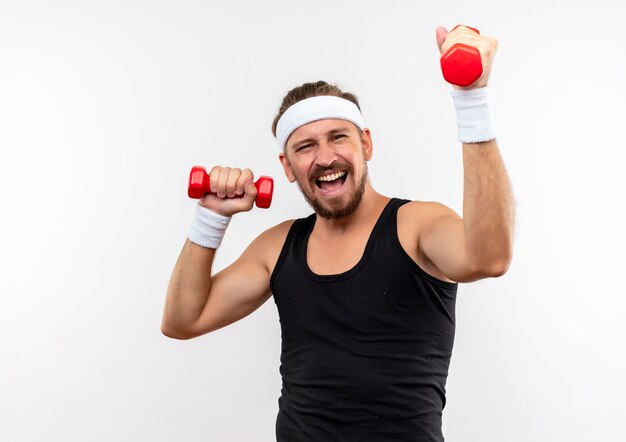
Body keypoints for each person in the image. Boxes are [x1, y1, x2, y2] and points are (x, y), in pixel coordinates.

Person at [162, 25, 514, 441]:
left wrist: (471, 100)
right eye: (305, 146)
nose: (325, 157)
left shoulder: (416, 225)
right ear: (288, 167)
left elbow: (489, 257)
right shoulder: (279, 246)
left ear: (365, 144)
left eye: (337, 137)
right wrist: (212, 217)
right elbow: (183, 320)